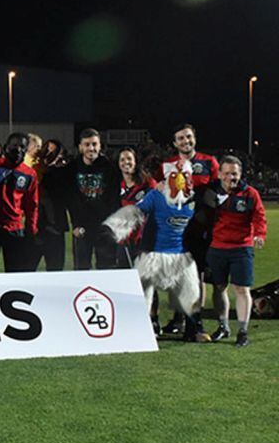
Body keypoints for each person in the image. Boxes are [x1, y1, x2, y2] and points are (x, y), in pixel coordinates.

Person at [103, 160, 209, 342]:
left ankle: (194, 330)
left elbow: (204, 221)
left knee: (191, 291)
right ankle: (139, 330)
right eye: (175, 176)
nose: (180, 181)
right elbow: (138, 210)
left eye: (185, 176)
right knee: (143, 291)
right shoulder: (156, 196)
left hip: (180, 254)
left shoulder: (194, 200)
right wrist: (115, 226)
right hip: (153, 253)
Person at [162, 124, 220, 334]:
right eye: (180, 139)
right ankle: (179, 320)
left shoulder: (208, 162)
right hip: (174, 229)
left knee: (196, 276)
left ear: (194, 137)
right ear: (175, 143)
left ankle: (196, 322)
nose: (185, 141)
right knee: (175, 276)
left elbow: (217, 194)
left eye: (188, 137)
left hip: (199, 228)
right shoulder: (169, 164)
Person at [206, 156, 267, 347]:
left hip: (241, 248)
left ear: (240, 174)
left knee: (242, 289)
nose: (229, 177)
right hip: (217, 247)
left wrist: (260, 234)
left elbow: (259, 217)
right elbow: (202, 216)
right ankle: (223, 326)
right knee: (219, 287)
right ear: (219, 173)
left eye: (234, 173)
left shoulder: (250, 194)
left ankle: (243, 331)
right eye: (226, 173)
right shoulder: (211, 192)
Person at [53, 128, 120, 270]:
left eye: (95, 144)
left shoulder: (110, 168)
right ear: (80, 147)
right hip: (82, 227)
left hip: (105, 226)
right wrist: (76, 224)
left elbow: (114, 199)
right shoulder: (71, 169)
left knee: (107, 269)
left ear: (100, 146)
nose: (91, 148)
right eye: (87, 144)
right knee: (81, 271)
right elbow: (70, 199)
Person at [0, 133, 39, 273]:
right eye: (14, 145)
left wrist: (31, 229)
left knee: (15, 272)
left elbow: (31, 205)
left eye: (22, 147)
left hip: (14, 229)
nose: (18, 150)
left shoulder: (29, 173)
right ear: (5, 147)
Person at [35, 139, 70, 271]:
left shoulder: (62, 172)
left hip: (55, 226)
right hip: (36, 226)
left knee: (55, 268)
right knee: (27, 268)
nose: (49, 153)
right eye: (47, 149)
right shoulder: (35, 170)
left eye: (53, 151)